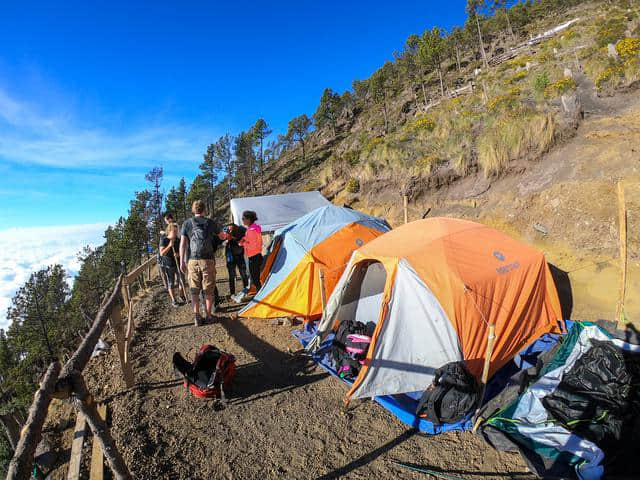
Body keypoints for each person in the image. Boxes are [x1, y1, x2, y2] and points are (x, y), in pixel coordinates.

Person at [179, 200, 221, 326]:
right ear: (204, 210)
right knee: (209, 290)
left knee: (194, 291)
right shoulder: (211, 223)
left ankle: (197, 317)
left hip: (192, 260)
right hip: (208, 260)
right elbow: (222, 236)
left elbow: (182, 244)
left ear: (193, 210)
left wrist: (182, 261)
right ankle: (208, 315)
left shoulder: (187, 223)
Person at [159, 222, 185, 306]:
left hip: (178, 263)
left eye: (177, 231)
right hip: (168, 264)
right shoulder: (164, 240)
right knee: (171, 282)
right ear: (169, 231)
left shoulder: (178, 240)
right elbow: (162, 253)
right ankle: (174, 300)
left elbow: (182, 250)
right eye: (174, 231)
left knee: (182, 280)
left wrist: (179, 254)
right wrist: (169, 246)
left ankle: (182, 295)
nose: (176, 233)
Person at [220, 223, 249, 297]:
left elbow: (247, 238)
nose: (230, 231)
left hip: (240, 255)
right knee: (231, 275)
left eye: (232, 229)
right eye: (229, 230)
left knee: (243, 274)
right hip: (230, 256)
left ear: (236, 228)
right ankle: (232, 293)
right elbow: (221, 243)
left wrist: (242, 241)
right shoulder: (225, 231)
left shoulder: (242, 230)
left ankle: (246, 290)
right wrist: (226, 241)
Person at [239, 210, 263, 294]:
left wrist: (243, 243)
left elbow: (252, 246)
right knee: (255, 277)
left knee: (255, 278)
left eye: (243, 218)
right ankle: (260, 294)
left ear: (248, 219)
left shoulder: (251, 231)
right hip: (257, 255)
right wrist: (245, 240)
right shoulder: (254, 229)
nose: (242, 220)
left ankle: (261, 295)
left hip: (253, 256)